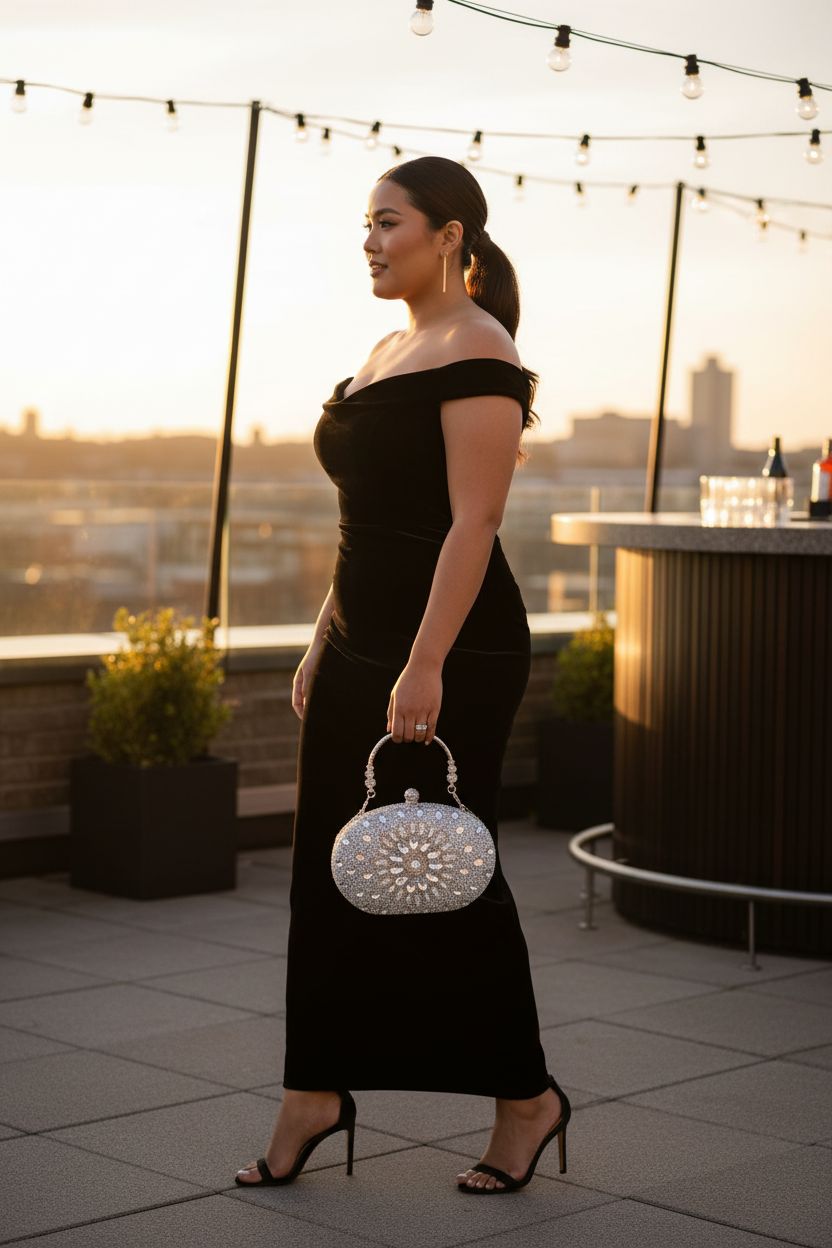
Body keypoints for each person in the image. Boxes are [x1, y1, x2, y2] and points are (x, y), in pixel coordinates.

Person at [235, 155, 570, 1195]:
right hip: (360, 643)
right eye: (365, 226)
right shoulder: (388, 347)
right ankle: (314, 1091)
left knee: (447, 875)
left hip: (451, 648)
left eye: (389, 223)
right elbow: (370, 524)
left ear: (450, 235)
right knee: (325, 876)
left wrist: (423, 661)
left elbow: (470, 524)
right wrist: (324, 631)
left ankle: (526, 1100)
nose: (371, 242)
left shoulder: (480, 348)